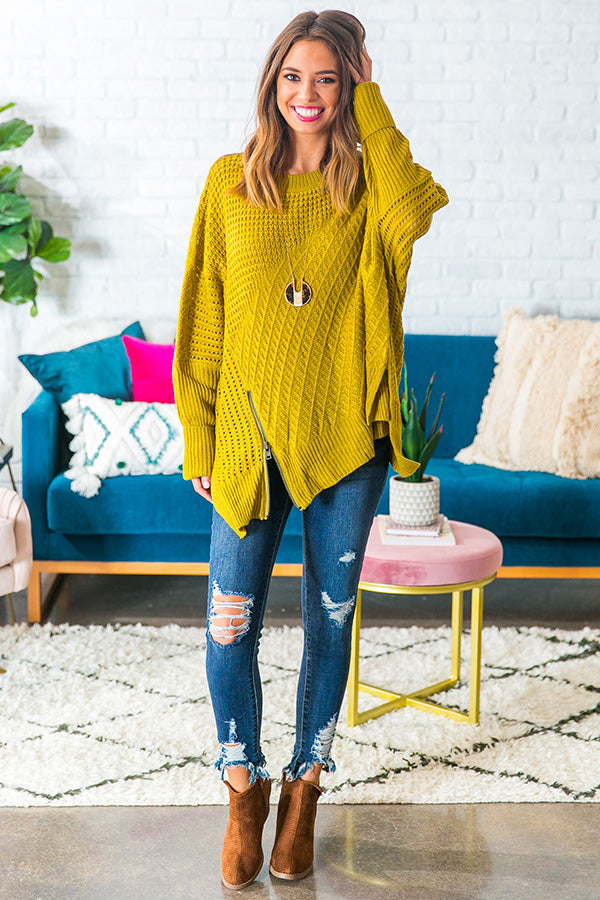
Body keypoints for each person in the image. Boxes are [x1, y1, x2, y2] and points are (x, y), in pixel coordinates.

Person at [173, 9, 448, 891]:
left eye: (328, 78)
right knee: (229, 626)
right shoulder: (228, 183)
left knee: (330, 623)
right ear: (272, 83)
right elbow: (204, 318)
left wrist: (373, 97)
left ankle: (305, 790)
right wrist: (200, 432)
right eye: (294, 76)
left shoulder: (368, 190)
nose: (308, 94)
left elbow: (415, 208)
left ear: (349, 85)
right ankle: (242, 788)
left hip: (345, 442)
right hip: (247, 441)